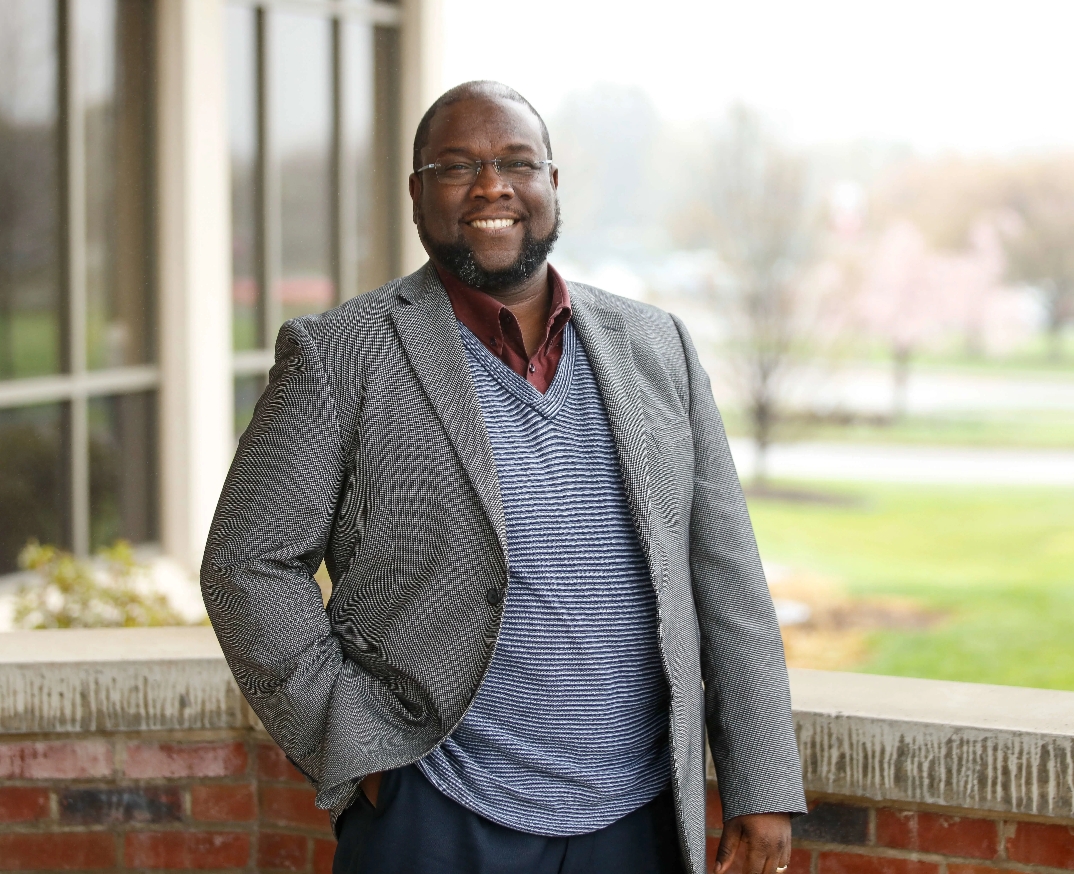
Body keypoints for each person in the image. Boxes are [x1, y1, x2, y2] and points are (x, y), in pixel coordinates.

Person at [202, 80, 806, 874]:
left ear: (552, 186)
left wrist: (761, 783)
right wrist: (359, 749)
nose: (492, 185)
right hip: (435, 815)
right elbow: (247, 564)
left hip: (639, 819)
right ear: (418, 197)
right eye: (457, 166)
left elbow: (727, 579)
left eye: (517, 162)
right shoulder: (338, 353)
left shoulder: (658, 346)